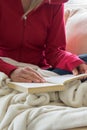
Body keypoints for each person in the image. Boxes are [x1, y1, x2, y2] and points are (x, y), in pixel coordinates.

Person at [0, 0, 87, 83]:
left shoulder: (54, 3)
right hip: (5, 68)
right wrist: (11, 71)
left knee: (84, 60)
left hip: (39, 72)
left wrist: (73, 61)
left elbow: (54, 52)